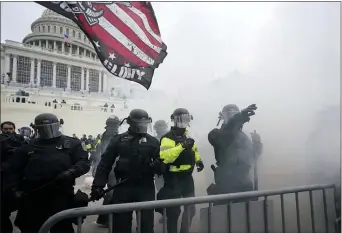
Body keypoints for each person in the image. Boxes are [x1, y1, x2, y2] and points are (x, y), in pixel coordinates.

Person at [6, 113, 90, 233]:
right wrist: (14, 191)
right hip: (33, 197)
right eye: (43, 127)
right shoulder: (28, 147)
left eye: (51, 127)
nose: (48, 131)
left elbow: (84, 163)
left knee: (62, 228)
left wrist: (72, 172)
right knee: (31, 228)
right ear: (36, 128)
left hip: (61, 195)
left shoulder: (71, 144)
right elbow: (14, 171)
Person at [91, 109, 163, 233]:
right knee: (120, 225)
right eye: (139, 124)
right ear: (130, 123)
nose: (142, 127)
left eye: (144, 124)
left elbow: (162, 164)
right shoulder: (119, 139)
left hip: (145, 187)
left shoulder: (153, 141)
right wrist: (98, 185)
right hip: (123, 186)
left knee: (146, 225)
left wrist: (158, 165)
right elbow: (105, 163)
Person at [157, 108, 204, 233]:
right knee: (173, 211)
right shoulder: (167, 138)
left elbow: (194, 151)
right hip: (173, 178)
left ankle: (184, 231)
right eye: (180, 119)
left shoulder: (187, 136)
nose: (183, 122)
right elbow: (165, 157)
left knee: (191, 208)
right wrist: (181, 146)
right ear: (173, 120)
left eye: (186, 119)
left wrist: (199, 161)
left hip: (187, 177)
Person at [207, 104, 262, 204]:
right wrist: (238, 118)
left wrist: (257, 144)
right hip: (226, 185)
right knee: (224, 217)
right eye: (229, 115)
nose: (232, 118)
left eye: (234, 115)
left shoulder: (243, 137)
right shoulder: (215, 134)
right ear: (222, 117)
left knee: (246, 217)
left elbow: (252, 156)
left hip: (244, 184)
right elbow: (226, 136)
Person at [94, 115, 121, 227]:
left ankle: (104, 218)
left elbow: (98, 152)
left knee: (111, 192)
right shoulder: (114, 136)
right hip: (112, 168)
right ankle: (105, 219)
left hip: (108, 167)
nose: (113, 127)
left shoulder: (104, 135)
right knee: (111, 193)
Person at [153, 120, 169, 223]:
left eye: (162, 126)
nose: (160, 128)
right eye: (158, 127)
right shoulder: (153, 140)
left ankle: (170, 213)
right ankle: (165, 213)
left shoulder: (171, 138)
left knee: (170, 192)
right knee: (161, 192)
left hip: (170, 171)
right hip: (159, 172)